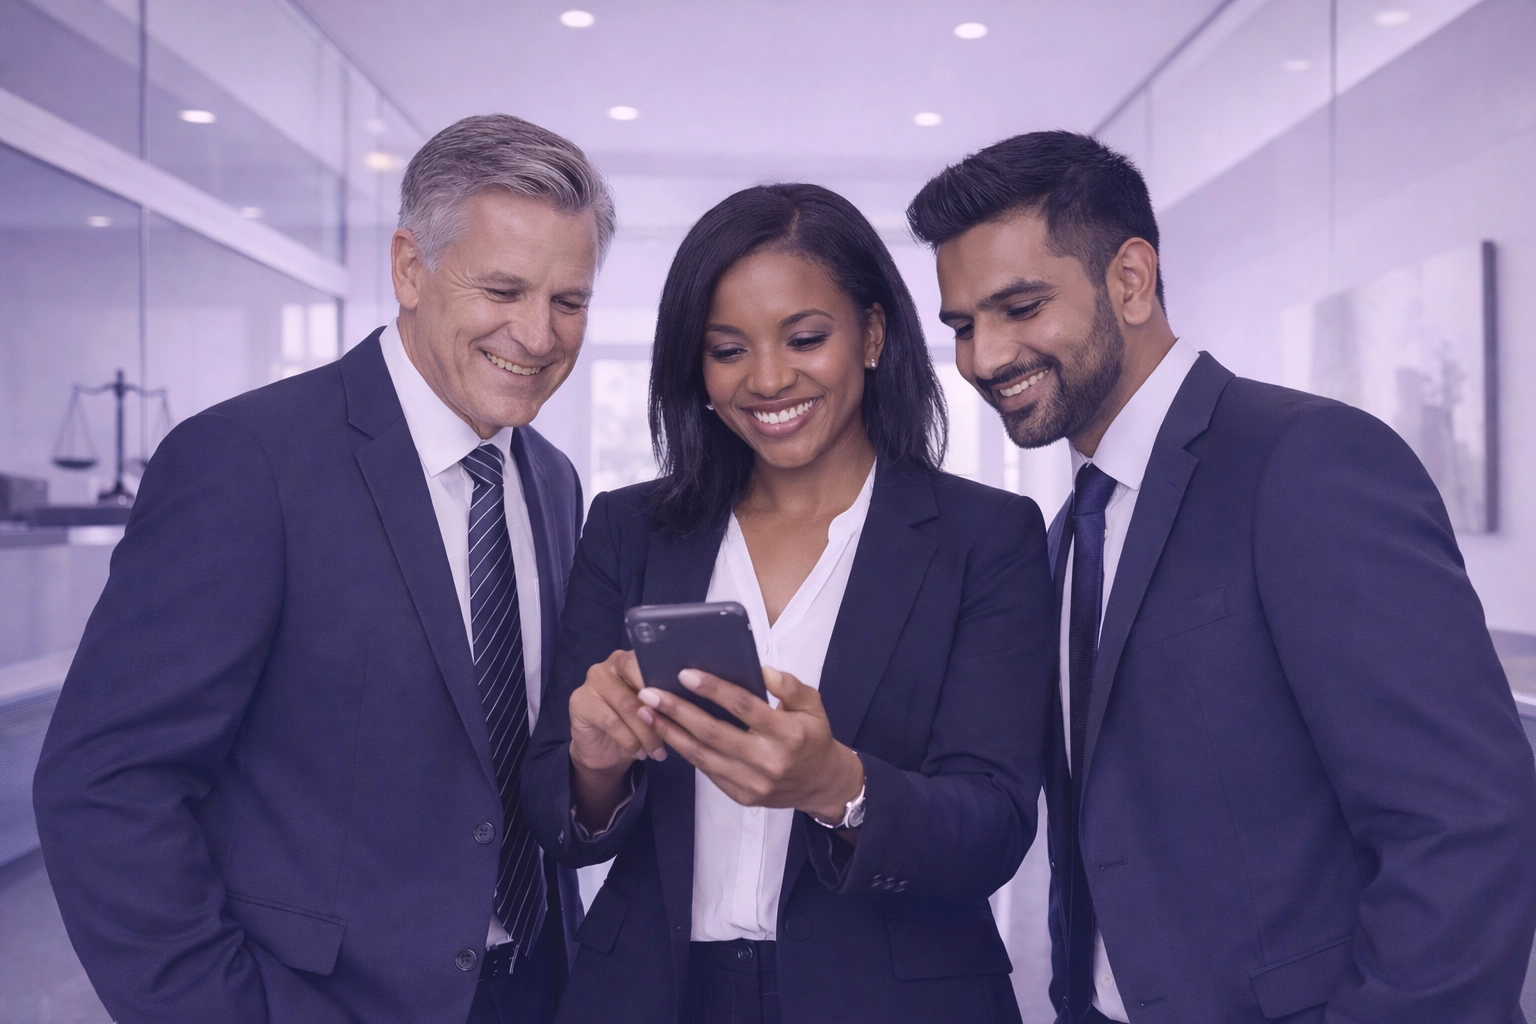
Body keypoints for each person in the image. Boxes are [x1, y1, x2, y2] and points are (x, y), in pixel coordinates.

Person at [907, 129, 1536, 1023]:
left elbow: (1468, 827)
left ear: (1131, 279)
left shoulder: (1305, 461)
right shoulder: (1062, 536)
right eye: (964, 326)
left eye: (1020, 306)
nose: (983, 357)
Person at [32, 114, 611, 1024]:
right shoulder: (246, 462)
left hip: (539, 991)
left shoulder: (550, 479)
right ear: (409, 269)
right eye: (503, 289)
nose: (538, 336)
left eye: (569, 301)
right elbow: (105, 789)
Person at [521, 183, 1055, 1024]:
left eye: (805, 338)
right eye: (726, 349)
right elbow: (557, 815)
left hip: (892, 998)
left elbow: (994, 825)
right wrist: (595, 762)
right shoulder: (629, 528)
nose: (767, 380)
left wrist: (837, 785)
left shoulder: (987, 537)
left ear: (872, 335)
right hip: (651, 995)